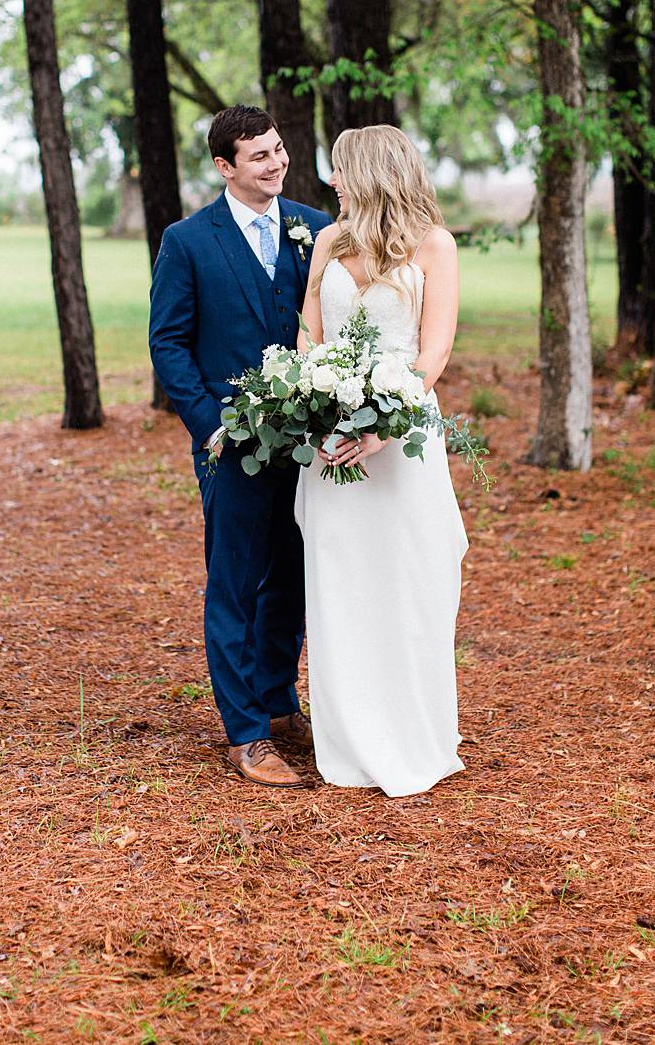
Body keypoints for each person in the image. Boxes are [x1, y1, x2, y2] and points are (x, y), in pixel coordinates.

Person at [149, 105, 331, 787]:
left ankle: (281, 703)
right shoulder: (188, 241)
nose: (276, 162)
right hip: (231, 444)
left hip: (306, 444)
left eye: (279, 149)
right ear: (225, 166)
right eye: (259, 156)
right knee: (236, 584)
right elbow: (167, 342)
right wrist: (210, 427)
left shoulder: (316, 229)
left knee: (294, 575)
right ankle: (246, 734)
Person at [294, 125, 468, 797]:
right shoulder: (332, 243)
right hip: (331, 442)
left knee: (408, 581)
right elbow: (310, 331)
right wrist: (315, 397)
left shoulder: (435, 246)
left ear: (368, 171)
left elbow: (435, 353)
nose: (331, 180)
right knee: (341, 583)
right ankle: (348, 741)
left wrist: (382, 426)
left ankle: (411, 733)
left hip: (402, 446)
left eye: (339, 169)